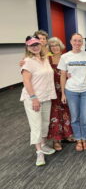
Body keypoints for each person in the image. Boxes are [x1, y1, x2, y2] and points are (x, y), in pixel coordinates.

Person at [20, 36, 57, 166]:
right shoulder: (27, 61)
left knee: (45, 123)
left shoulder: (45, 58)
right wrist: (33, 98)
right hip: (33, 99)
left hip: (46, 96)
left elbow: (55, 54)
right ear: (28, 47)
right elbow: (26, 81)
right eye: (32, 45)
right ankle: (39, 153)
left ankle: (43, 145)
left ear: (41, 45)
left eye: (37, 44)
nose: (35, 47)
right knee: (36, 125)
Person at [58, 33, 86, 152]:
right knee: (74, 117)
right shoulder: (65, 57)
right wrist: (63, 93)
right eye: (75, 41)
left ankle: (84, 138)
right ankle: (78, 139)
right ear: (70, 41)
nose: (77, 43)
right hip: (71, 91)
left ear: (82, 42)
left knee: (85, 117)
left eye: (79, 41)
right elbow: (63, 76)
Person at [47, 37, 74, 151]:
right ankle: (56, 140)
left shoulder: (66, 57)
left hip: (65, 88)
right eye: (52, 46)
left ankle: (67, 135)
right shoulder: (46, 59)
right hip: (52, 91)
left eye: (56, 45)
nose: (55, 47)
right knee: (55, 115)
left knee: (66, 111)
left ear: (60, 46)